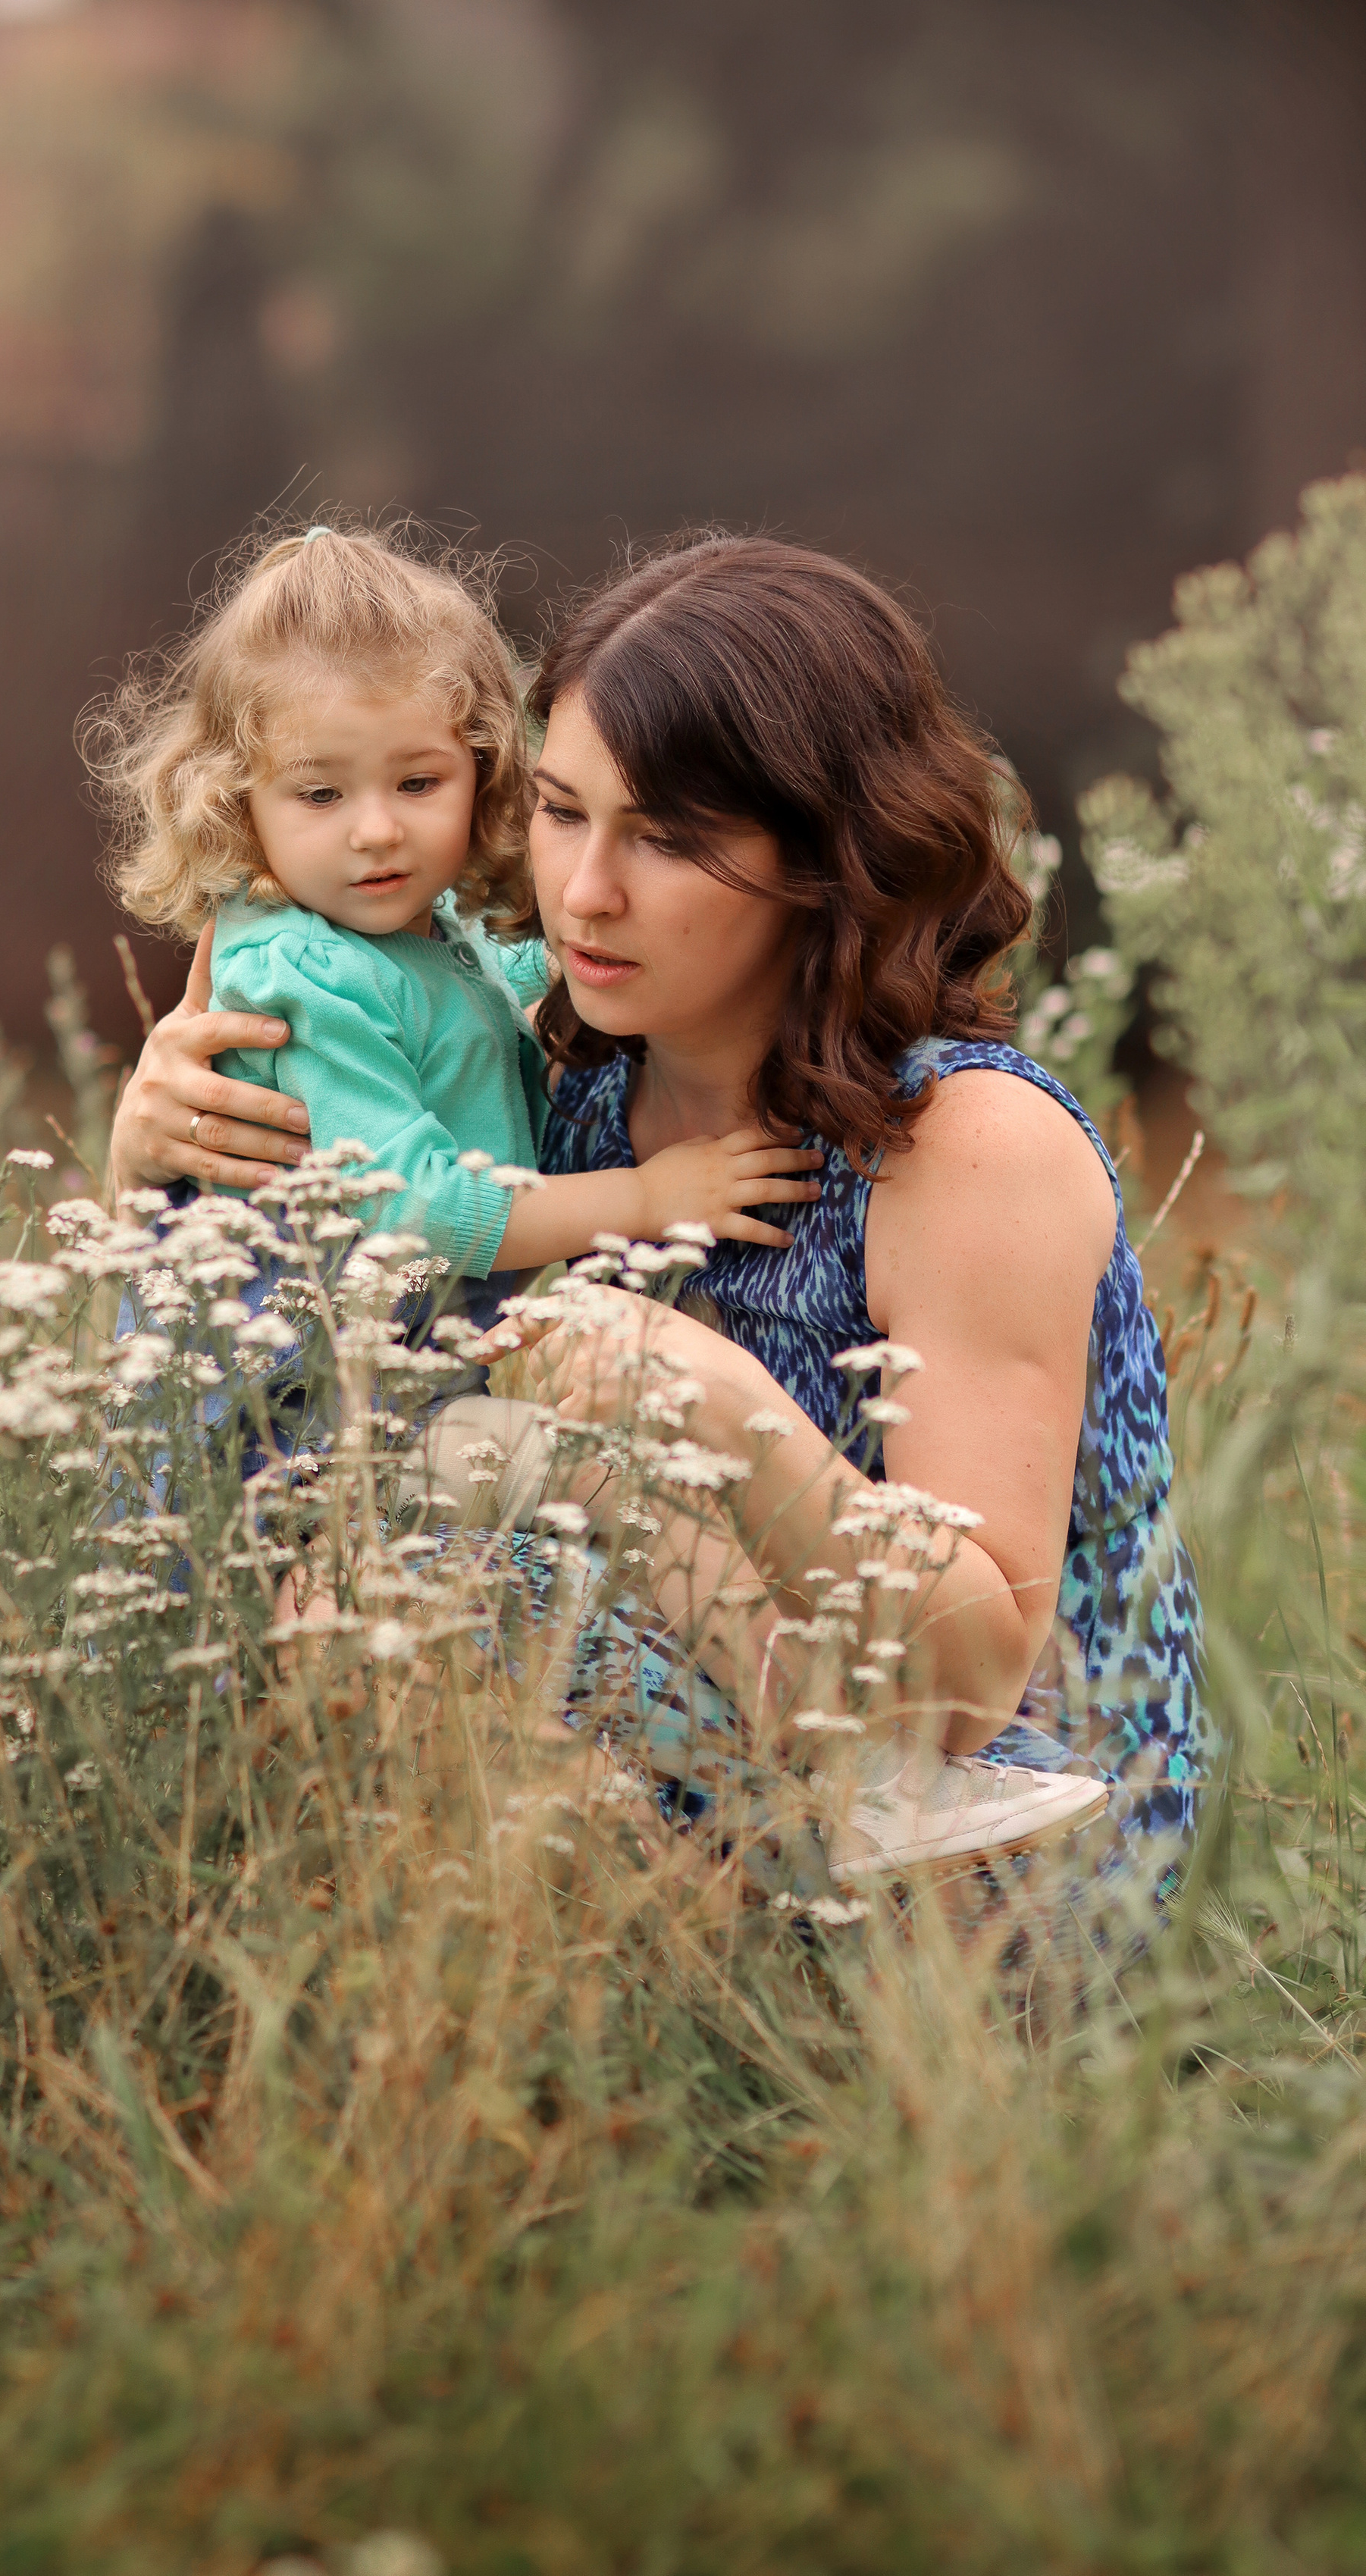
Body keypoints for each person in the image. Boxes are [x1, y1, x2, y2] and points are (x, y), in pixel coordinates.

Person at [108, 534, 1202, 1889]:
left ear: (827, 854)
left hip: (985, 1843)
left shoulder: (969, 1141)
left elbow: (975, 1680)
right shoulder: (553, 1081)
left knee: (411, 1616)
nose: (583, 893)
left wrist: (716, 1403)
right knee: (357, 1608)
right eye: (563, 813)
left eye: (667, 838)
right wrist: (165, 1155)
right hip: (685, 1761)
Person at [87, 520, 821, 1496]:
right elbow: (416, 1210)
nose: (378, 829)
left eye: (419, 781)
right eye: (319, 793)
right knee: (632, 1484)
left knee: (649, 1477)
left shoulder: (434, 929)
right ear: (235, 803)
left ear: (484, 768)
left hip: (401, 1384)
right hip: (295, 1420)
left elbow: (526, 981)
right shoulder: (304, 971)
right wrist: (651, 1199)